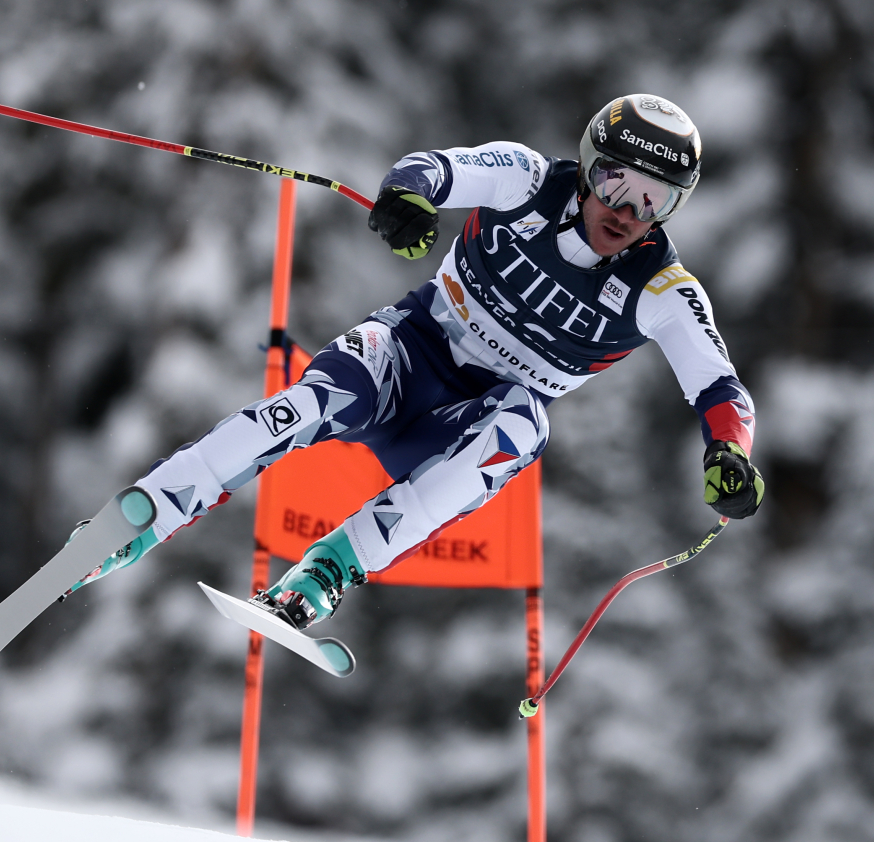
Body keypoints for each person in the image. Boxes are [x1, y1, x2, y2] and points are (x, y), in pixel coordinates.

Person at [67, 94, 765, 627]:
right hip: (409, 354)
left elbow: (720, 387)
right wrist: (407, 199)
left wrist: (728, 452)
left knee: (524, 429)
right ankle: (145, 515)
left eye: (655, 199)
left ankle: (329, 571)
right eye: (615, 182)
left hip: (468, 420)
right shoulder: (526, 180)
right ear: (587, 166)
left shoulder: (662, 289)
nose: (626, 210)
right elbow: (434, 169)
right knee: (304, 406)